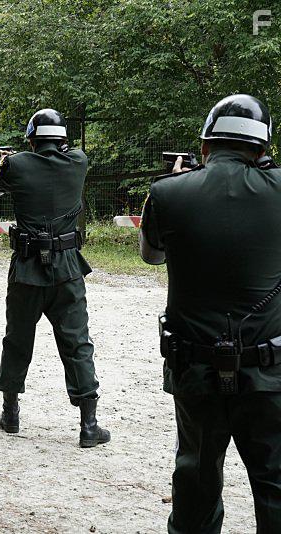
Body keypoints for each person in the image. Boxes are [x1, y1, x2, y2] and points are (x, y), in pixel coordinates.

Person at [140, 94, 281, 533]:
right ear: (262, 147)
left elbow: (151, 256)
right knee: (275, 483)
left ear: (204, 146)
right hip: (270, 370)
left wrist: (179, 183)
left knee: (196, 479)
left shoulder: (166, 193)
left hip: (195, 368)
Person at [0, 108, 109, 447]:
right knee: (77, 343)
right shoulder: (78, 161)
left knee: (17, 339)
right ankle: (89, 425)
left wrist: (3, 163)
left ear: (32, 139)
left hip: (27, 268)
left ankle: (10, 413)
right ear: (63, 139)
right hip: (68, 268)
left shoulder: (17, 164)